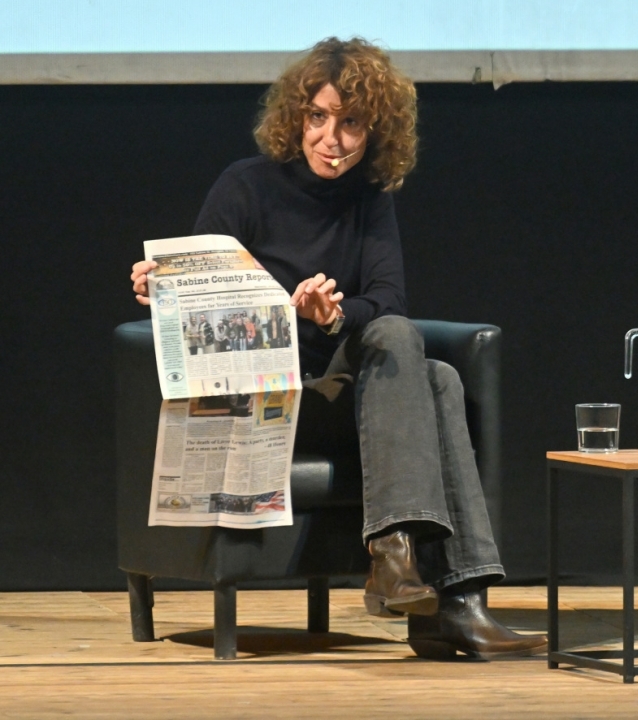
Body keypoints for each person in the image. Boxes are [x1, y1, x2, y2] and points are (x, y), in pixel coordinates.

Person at [131, 37, 546, 660]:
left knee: (410, 348)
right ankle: (453, 601)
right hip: (270, 403)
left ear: (374, 131)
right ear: (295, 119)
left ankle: (411, 575)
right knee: (439, 381)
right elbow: (202, 293)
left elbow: (388, 299)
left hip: (347, 399)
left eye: (350, 123)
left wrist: (334, 316)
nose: (332, 139)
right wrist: (161, 290)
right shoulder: (245, 186)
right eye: (318, 118)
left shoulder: (369, 198)